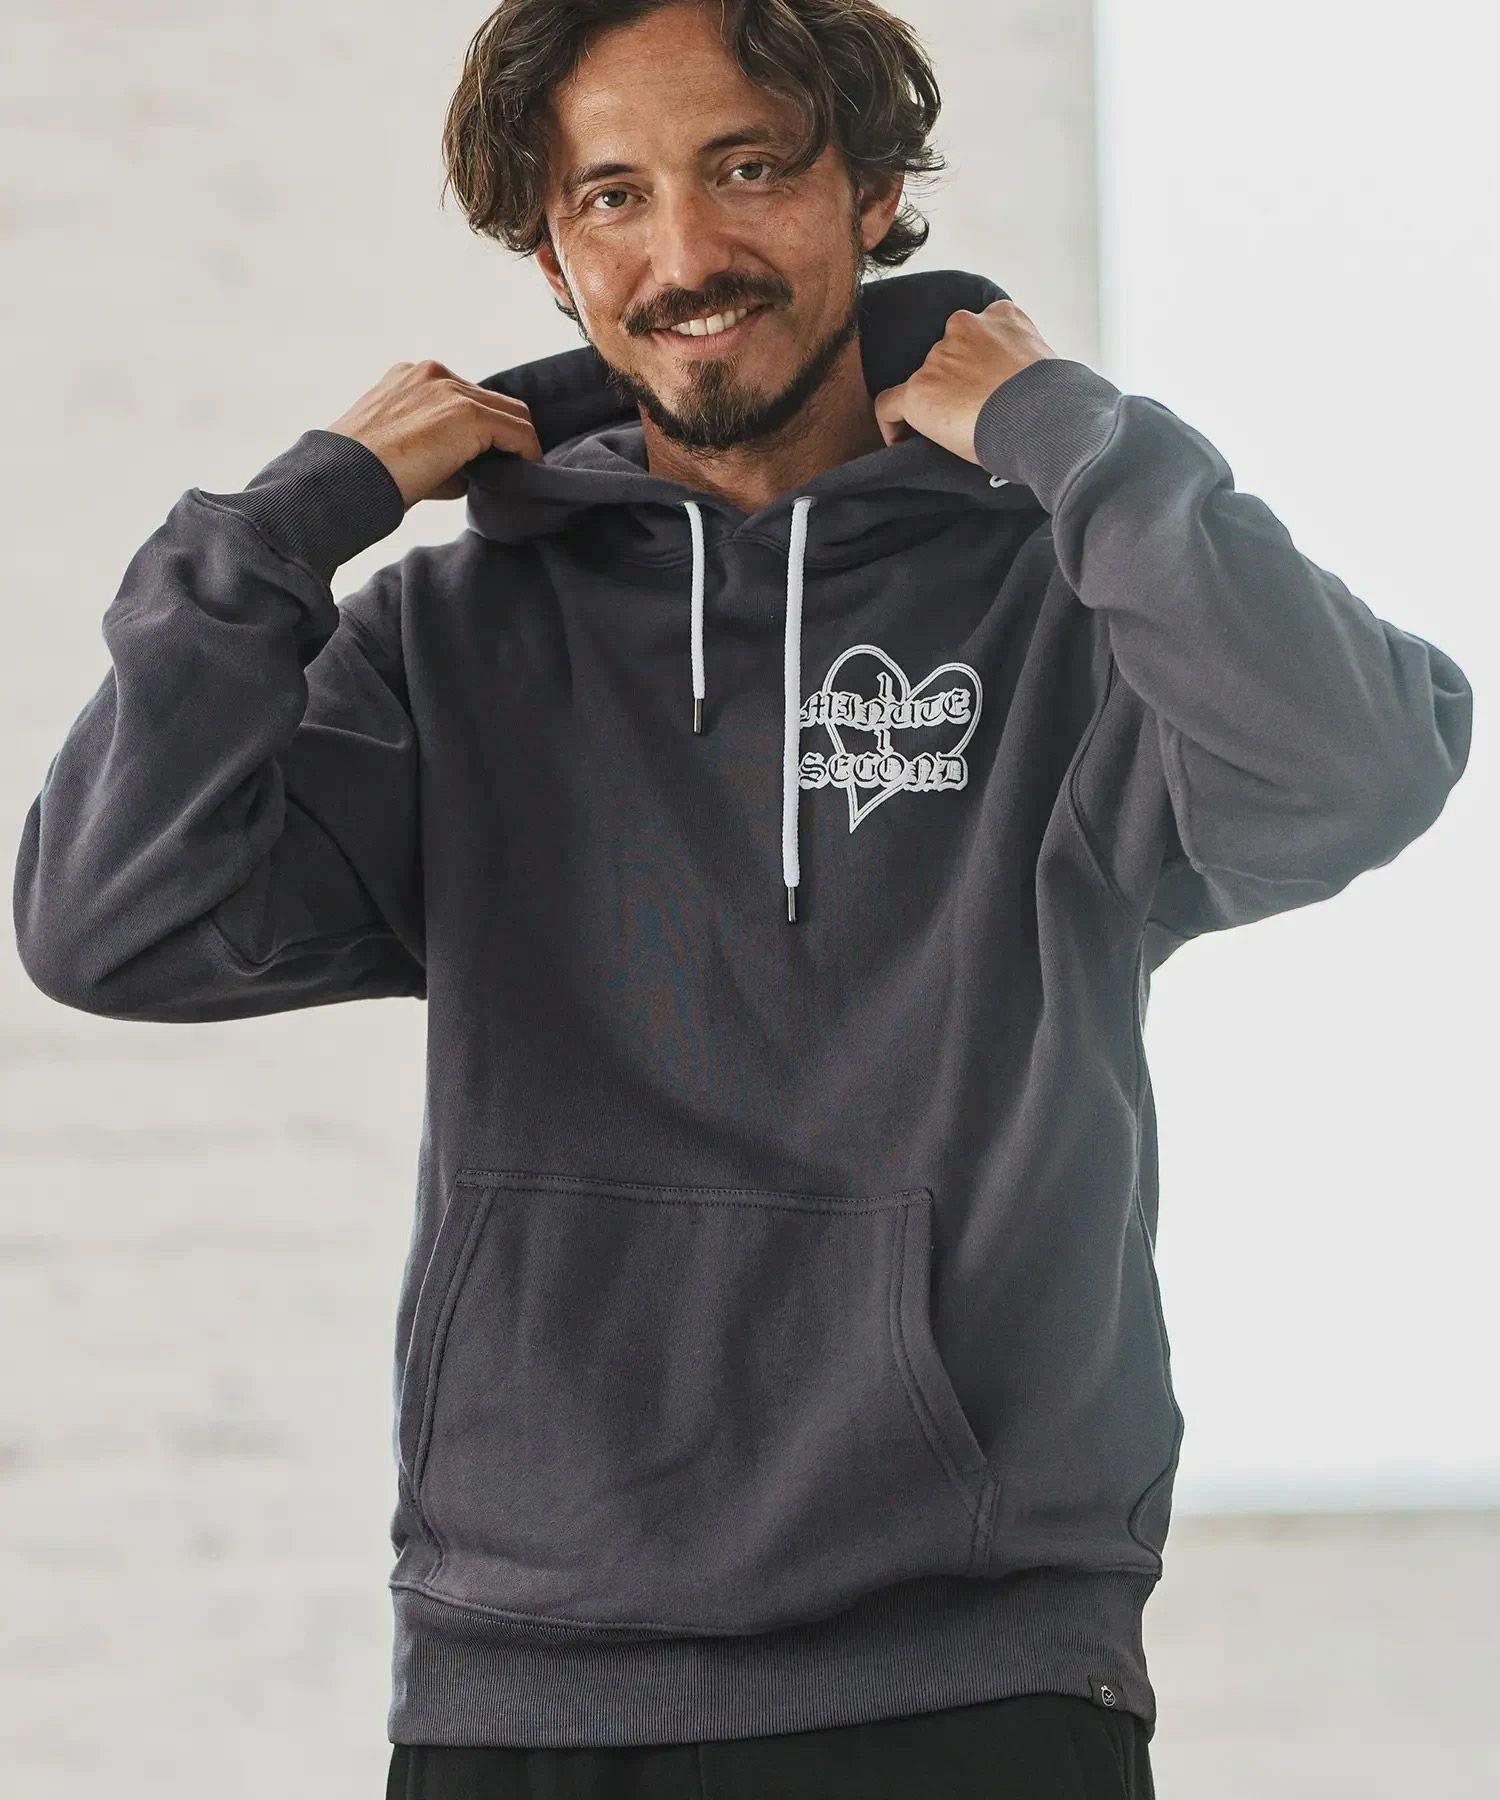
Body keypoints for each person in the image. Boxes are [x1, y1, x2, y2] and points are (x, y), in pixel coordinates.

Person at [13, 2, 1473, 1795]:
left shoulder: (1074, 608)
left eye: (749, 167)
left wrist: (1071, 432)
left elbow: (1353, 767)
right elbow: (106, 920)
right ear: (552, 257)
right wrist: (291, 520)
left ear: (873, 191)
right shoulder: (450, 643)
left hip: (979, 1678)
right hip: (527, 1689)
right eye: (610, 197)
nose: (687, 252)